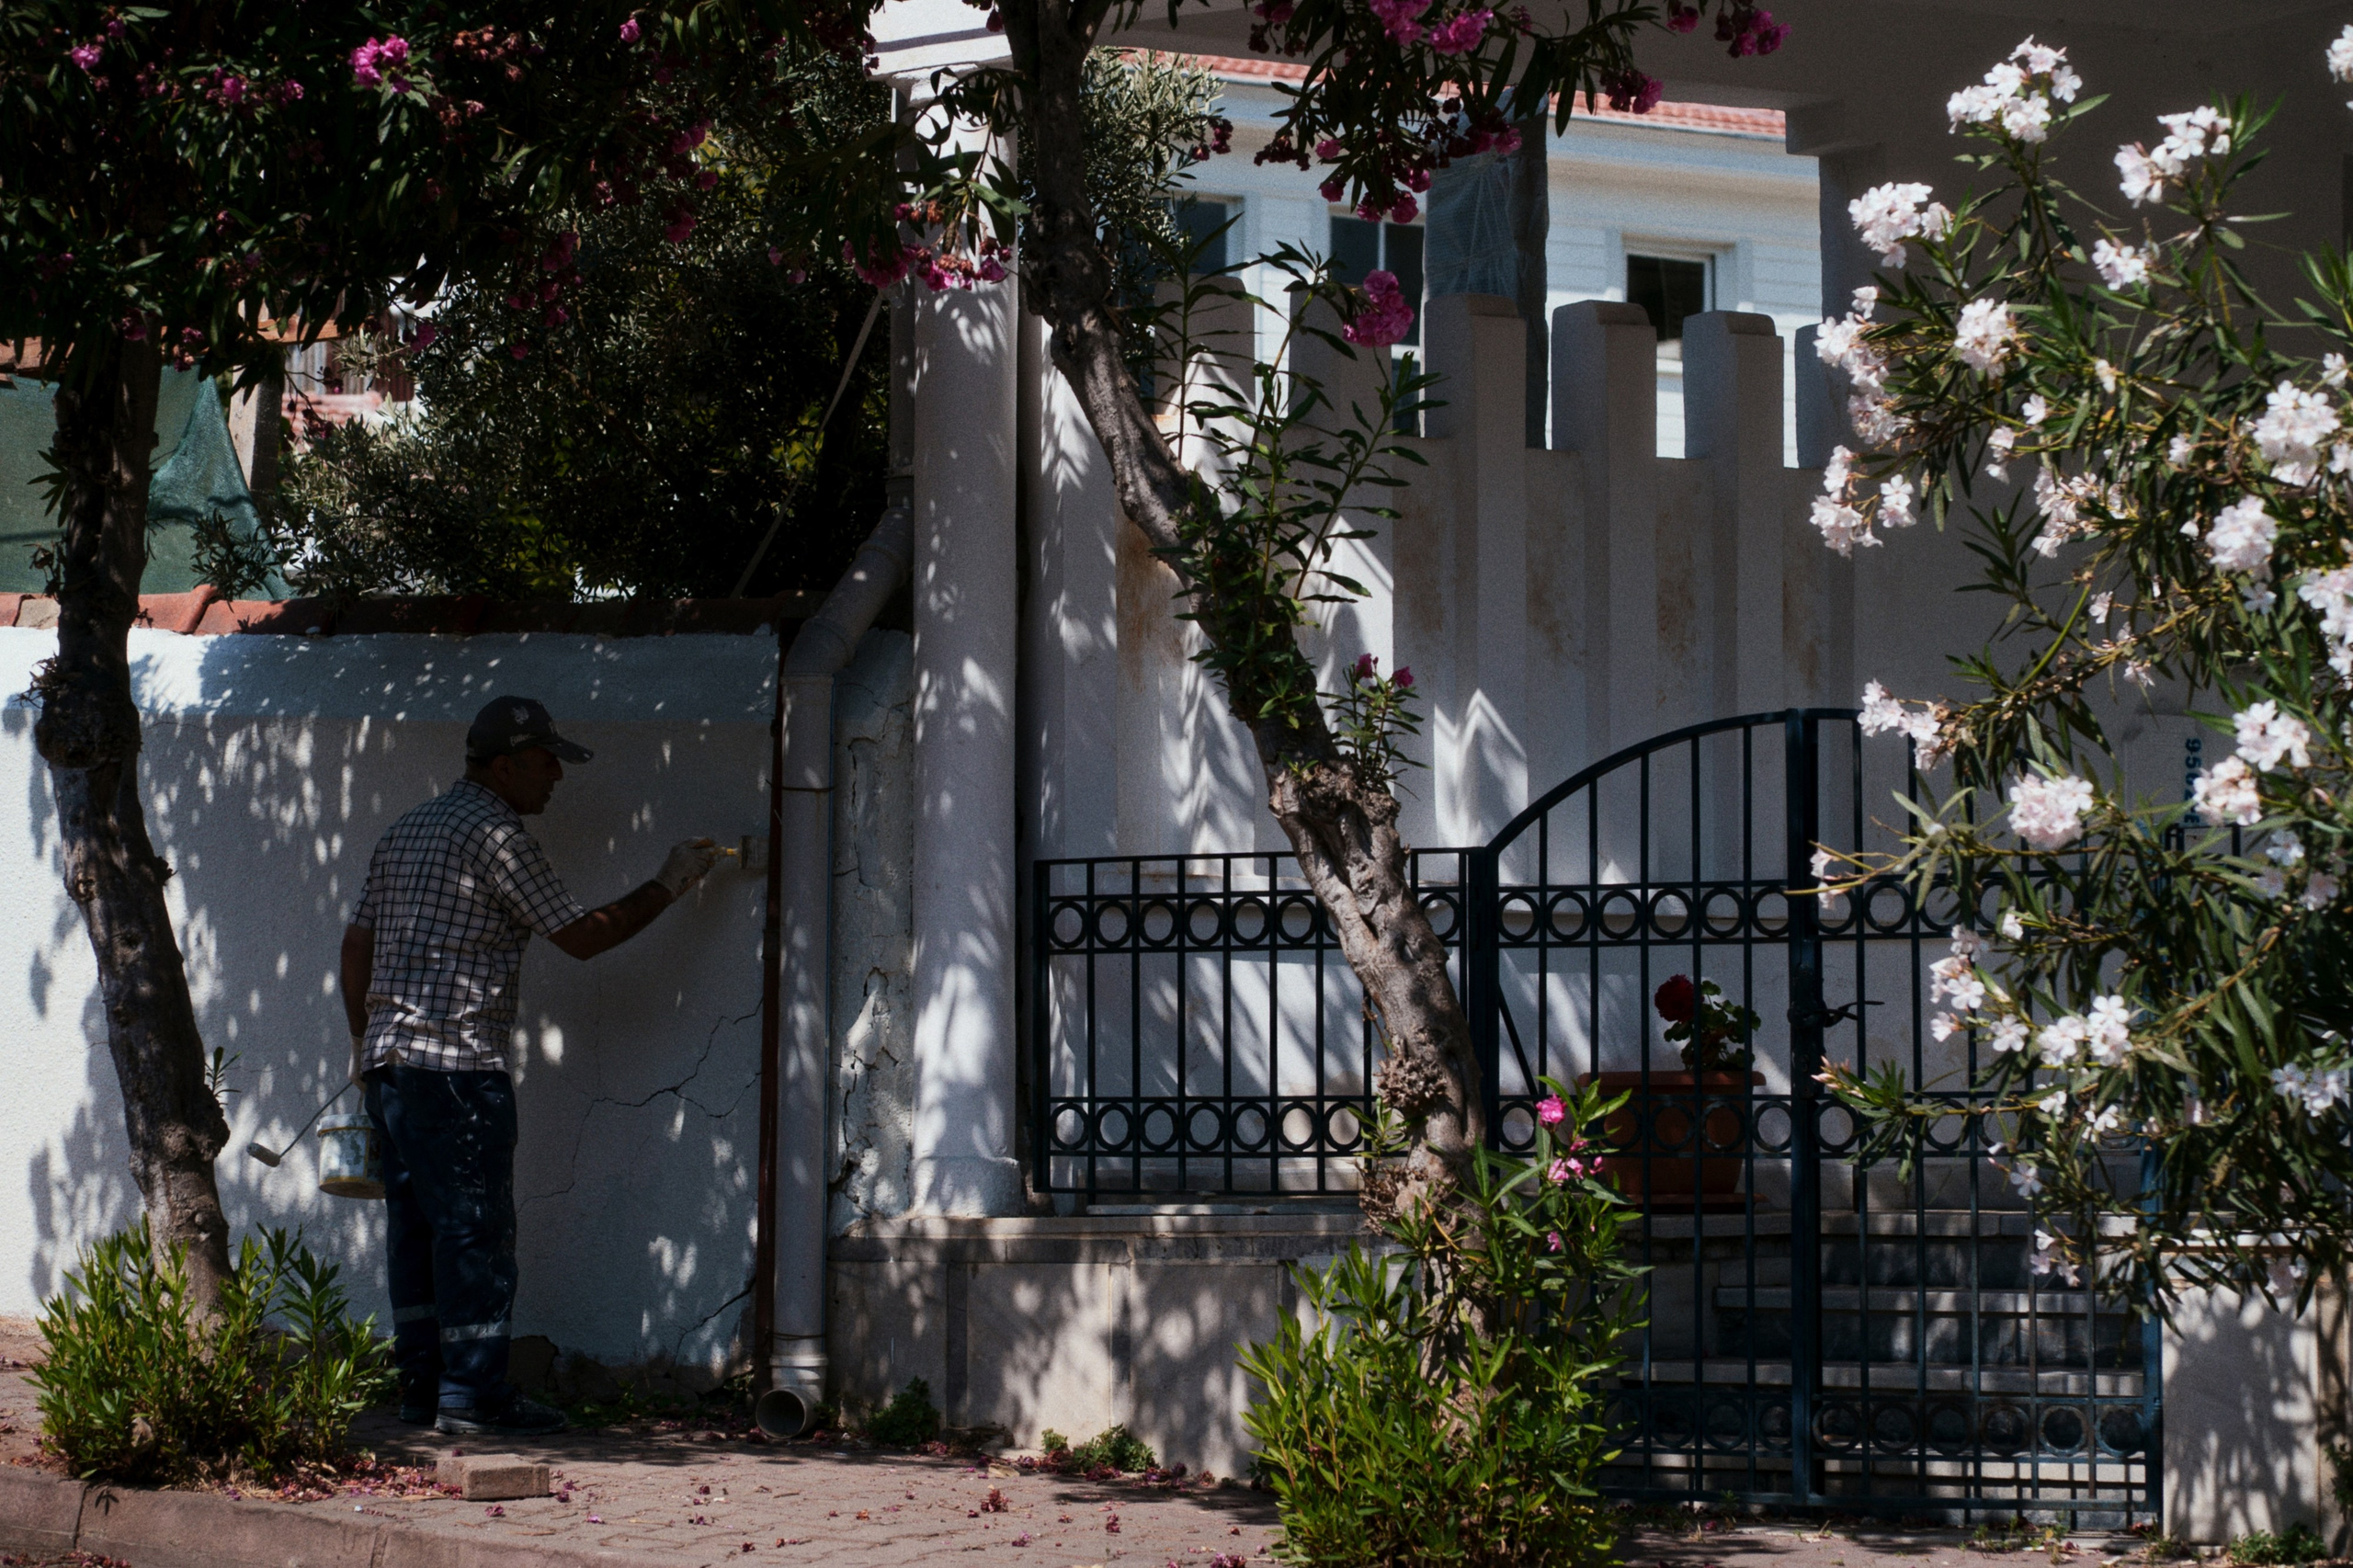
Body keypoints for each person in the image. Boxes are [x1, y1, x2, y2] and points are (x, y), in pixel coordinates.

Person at [339, 695, 722, 1437]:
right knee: (475, 1231)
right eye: (546, 761)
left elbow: (357, 944)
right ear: (505, 763)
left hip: (392, 1067)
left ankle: (423, 1391)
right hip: (458, 1069)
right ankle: (473, 1398)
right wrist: (671, 882)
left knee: (415, 1231)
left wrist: (362, 1043)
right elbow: (580, 937)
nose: (556, 776)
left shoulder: (406, 829)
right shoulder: (497, 836)